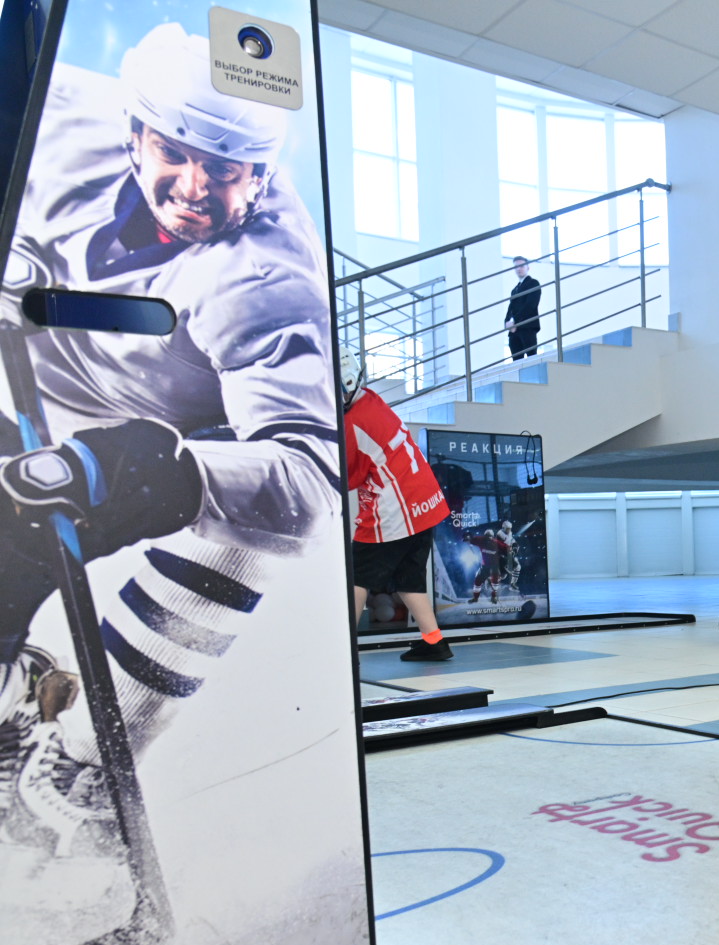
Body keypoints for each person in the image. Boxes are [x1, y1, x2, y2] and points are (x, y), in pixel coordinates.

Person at [0, 23, 342, 854]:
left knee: (251, 526)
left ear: (259, 172)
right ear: (135, 136)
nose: (197, 186)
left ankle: (81, 778)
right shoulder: (62, 119)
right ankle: (19, 692)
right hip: (30, 385)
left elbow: (309, 475)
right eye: (177, 155)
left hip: (159, 434)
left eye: (227, 171)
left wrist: (177, 477)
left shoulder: (267, 281)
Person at [344, 351, 453, 661]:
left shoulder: (352, 422)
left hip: (396, 508)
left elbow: (350, 476)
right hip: (424, 499)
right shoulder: (369, 397)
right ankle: (434, 641)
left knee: (357, 575)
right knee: (409, 577)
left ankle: (344, 649)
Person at [505, 255, 543, 360]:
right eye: (516, 267)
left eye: (521, 266)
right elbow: (510, 308)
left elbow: (530, 306)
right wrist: (507, 322)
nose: (518, 269)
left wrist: (515, 321)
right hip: (514, 330)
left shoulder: (533, 283)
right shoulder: (515, 289)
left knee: (532, 358)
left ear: (528, 267)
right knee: (516, 361)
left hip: (527, 327)